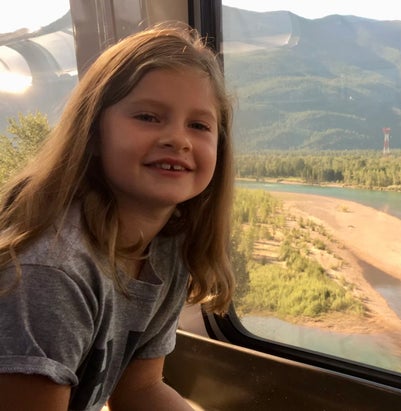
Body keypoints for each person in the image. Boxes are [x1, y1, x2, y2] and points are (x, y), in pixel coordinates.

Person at [0, 22, 235, 410]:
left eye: (199, 125)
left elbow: (139, 391)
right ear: (92, 133)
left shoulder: (164, 249)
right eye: (147, 116)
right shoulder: (51, 274)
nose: (178, 139)